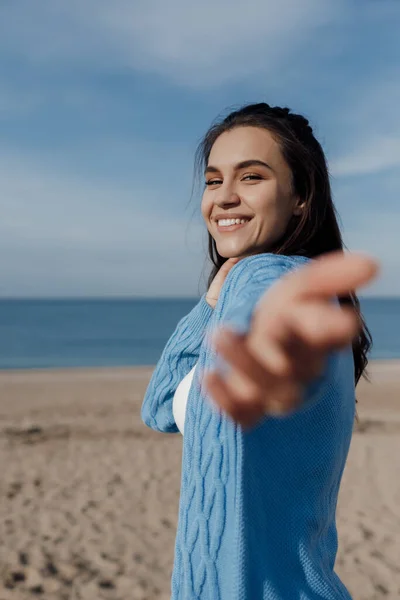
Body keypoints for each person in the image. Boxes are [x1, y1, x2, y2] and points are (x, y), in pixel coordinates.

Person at [141, 103, 378, 599]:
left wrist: (260, 333)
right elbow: (160, 408)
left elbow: (262, 310)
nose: (224, 197)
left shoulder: (267, 276)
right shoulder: (260, 286)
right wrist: (210, 305)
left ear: (300, 197)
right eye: (212, 181)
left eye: (252, 177)